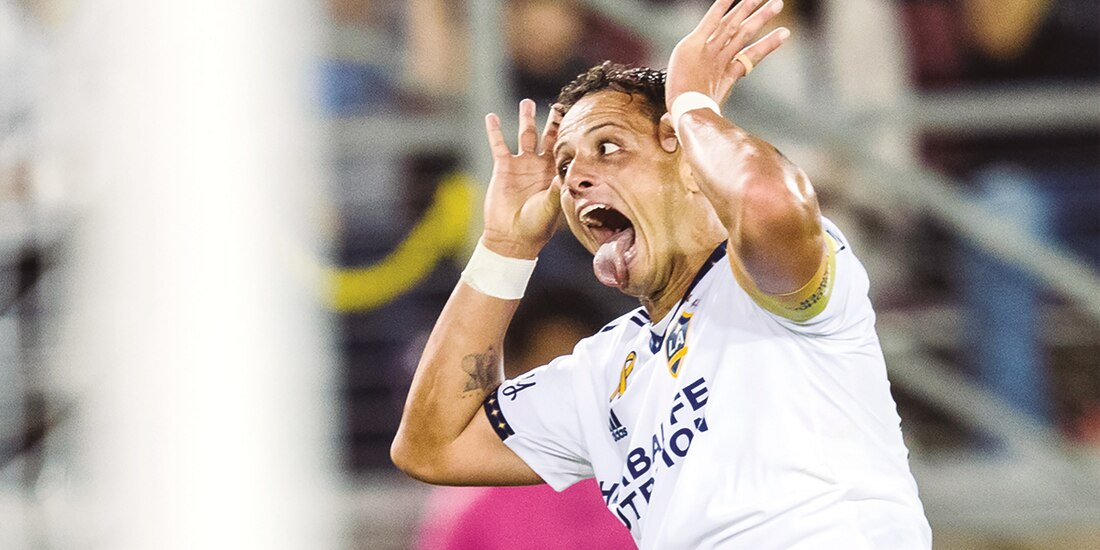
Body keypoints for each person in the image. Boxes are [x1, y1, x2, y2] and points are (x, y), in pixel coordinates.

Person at [391, 0, 932, 548]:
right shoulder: (603, 371)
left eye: (608, 148)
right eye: (565, 165)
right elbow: (432, 446)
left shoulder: (766, 283)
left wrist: (694, 105)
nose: (576, 179)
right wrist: (504, 248)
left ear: (688, 161)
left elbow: (766, 203)